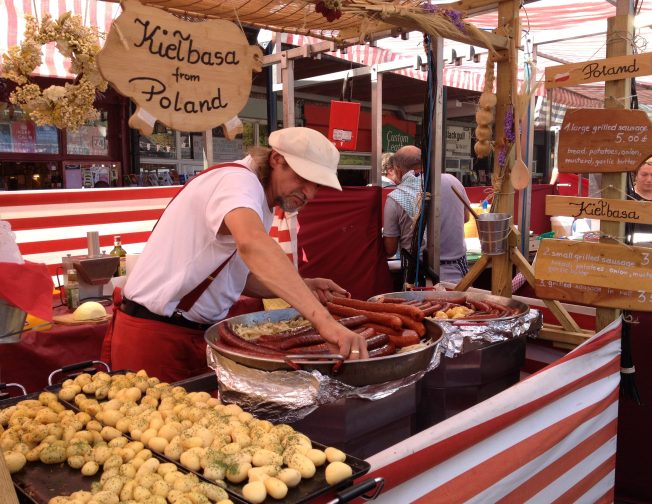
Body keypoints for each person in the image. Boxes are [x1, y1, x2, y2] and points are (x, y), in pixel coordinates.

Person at [101, 127, 368, 382]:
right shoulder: (238, 182)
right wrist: (323, 322)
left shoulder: (258, 197)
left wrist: (304, 287)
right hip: (155, 336)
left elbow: (238, 278)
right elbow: (253, 244)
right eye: (303, 178)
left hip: (187, 334)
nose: (309, 193)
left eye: (317, 186)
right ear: (276, 159)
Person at [382, 145, 470, 284]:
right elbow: (466, 218)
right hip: (460, 279)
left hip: (420, 281)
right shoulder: (453, 181)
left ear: (398, 170)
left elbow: (390, 249)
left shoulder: (395, 198)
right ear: (424, 163)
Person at [628, 160, 652, 247]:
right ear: (636, 176)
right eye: (644, 175)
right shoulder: (626, 198)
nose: (649, 179)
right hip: (632, 250)